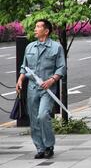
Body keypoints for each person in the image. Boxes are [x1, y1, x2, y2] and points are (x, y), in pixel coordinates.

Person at [16, 19, 66, 159]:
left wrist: (52, 80)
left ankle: (49, 145)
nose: (35, 29)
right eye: (35, 26)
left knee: (43, 115)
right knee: (34, 119)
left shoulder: (56, 47)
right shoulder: (30, 47)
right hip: (32, 87)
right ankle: (40, 148)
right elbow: (24, 67)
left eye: (38, 27)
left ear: (46, 31)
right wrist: (20, 79)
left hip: (48, 88)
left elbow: (61, 68)